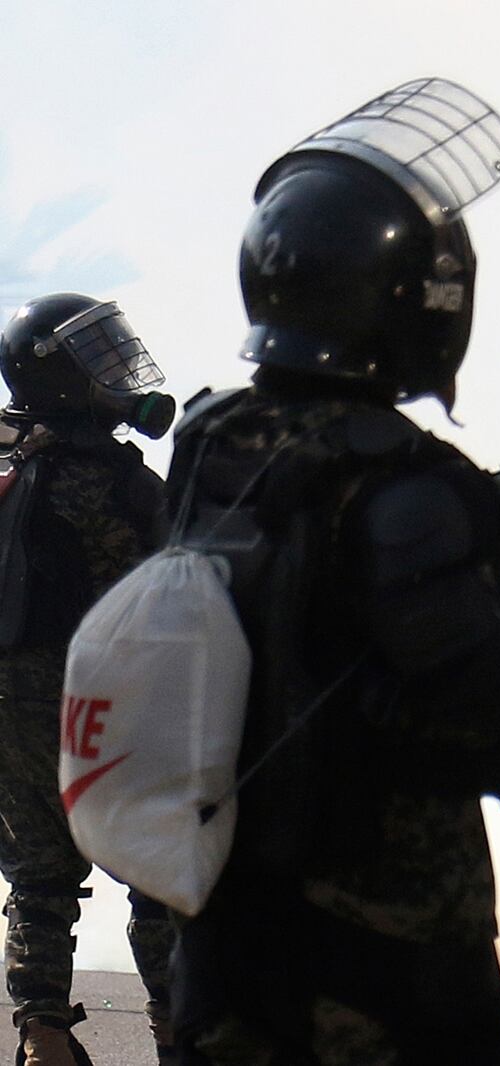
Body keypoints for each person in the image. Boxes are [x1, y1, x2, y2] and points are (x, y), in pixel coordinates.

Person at [164, 79, 500, 1064]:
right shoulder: (405, 479)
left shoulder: (214, 444)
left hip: (226, 955)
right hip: (379, 984)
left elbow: (348, 530)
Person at [0, 293, 179, 1065]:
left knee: (39, 880)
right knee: (159, 873)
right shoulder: (112, 482)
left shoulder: (12, 467)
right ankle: (183, 1028)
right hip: (95, 700)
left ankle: (43, 1035)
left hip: (8, 711)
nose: (114, 368)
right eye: (95, 356)